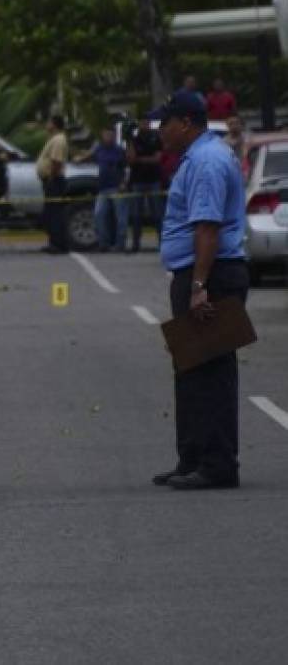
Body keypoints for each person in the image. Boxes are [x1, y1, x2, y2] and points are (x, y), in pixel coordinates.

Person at [150, 91, 248, 490]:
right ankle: (192, 457)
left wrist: (198, 287)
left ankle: (218, 464)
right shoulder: (197, 157)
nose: (160, 132)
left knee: (210, 372)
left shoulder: (207, 162)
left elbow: (207, 228)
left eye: (165, 123)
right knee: (190, 370)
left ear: (186, 123)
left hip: (212, 275)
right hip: (200, 273)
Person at [75, 127, 127, 252]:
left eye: (110, 135)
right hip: (103, 188)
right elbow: (87, 156)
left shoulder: (119, 150)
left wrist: (124, 183)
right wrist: (78, 159)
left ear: (114, 136)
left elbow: (126, 168)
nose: (108, 137)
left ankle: (120, 244)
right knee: (99, 215)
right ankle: (104, 243)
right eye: (106, 135)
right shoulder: (99, 149)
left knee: (121, 218)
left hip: (116, 187)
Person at [126, 123, 164, 252]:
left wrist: (140, 159)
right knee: (136, 215)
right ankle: (135, 244)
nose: (144, 125)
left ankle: (162, 243)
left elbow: (157, 159)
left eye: (146, 122)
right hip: (138, 180)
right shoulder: (135, 140)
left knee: (157, 214)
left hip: (153, 179)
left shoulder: (155, 138)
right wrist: (129, 139)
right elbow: (131, 159)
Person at [36, 115, 70, 253]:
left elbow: (56, 161)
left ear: (55, 124)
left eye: (49, 122)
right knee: (50, 213)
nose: (47, 124)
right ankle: (53, 242)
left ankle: (58, 244)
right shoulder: (53, 139)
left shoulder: (58, 140)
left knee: (55, 214)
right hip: (50, 179)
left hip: (54, 180)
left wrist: (51, 177)